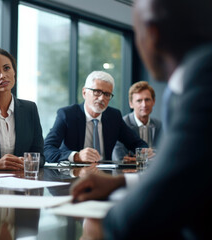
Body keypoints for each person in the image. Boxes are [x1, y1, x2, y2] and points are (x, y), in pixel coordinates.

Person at [71, 0, 212, 238]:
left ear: (152, 35)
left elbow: (146, 211)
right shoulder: (192, 79)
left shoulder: (203, 80)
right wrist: (122, 183)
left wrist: (104, 226)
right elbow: (191, 170)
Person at [44, 71, 148, 163]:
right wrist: (76, 156)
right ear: (84, 93)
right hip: (73, 176)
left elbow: (137, 144)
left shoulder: (114, 116)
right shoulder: (67, 115)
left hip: (104, 176)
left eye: (107, 94)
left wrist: (141, 155)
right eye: (97, 92)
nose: (102, 98)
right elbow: (46, 149)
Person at [112, 81, 162, 160]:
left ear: (154, 101)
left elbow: (164, 154)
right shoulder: (121, 124)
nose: (144, 105)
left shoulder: (159, 125)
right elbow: (119, 158)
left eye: (147, 100)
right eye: (139, 101)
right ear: (131, 104)